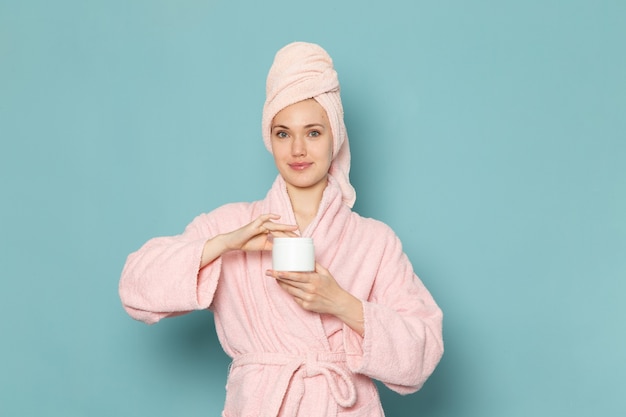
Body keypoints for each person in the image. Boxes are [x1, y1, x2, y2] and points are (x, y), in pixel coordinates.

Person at [119, 41, 443, 417]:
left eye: (314, 132)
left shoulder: (375, 242)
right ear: (269, 140)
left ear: (334, 136)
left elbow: (424, 350)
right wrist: (223, 245)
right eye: (283, 133)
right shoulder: (231, 225)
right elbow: (135, 287)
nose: (298, 150)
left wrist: (341, 303)